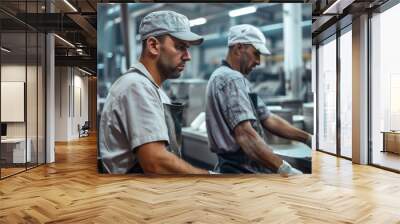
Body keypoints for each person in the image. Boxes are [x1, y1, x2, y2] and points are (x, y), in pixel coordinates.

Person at [99, 11, 210, 174]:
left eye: (187, 48)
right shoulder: (136, 87)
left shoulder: (152, 88)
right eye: (180, 47)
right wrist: (207, 176)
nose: (188, 57)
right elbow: (155, 163)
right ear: (153, 45)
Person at [205, 24, 312, 176]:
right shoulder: (230, 78)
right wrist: (285, 169)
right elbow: (246, 136)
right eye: (256, 53)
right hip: (241, 170)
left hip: (244, 166)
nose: (259, 61)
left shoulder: (238, 80)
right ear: (239, 48)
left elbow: (267, 118)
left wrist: (307, 138)